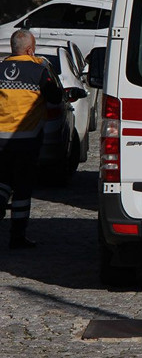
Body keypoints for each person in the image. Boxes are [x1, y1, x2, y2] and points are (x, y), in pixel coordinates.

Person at [0, 29, 63, 249]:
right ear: (29, 50)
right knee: (22, 187)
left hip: (0, 139)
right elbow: (55, 97)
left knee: (3, 181)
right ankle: (17, 237)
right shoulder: (39, 71)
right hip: (27, 139)